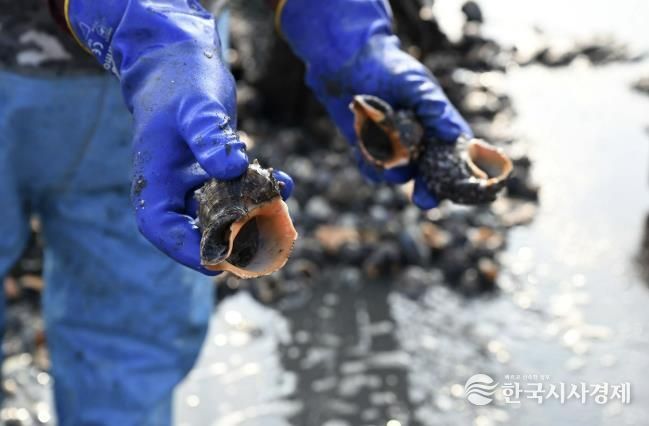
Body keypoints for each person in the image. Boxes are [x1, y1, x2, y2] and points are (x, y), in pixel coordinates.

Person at [0, 0, 470, 424]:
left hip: (171, 78)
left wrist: (337, 13)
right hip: (164, 58)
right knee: (127, 343)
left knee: (131, 340)